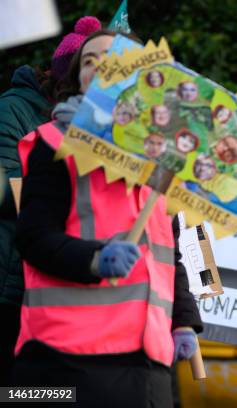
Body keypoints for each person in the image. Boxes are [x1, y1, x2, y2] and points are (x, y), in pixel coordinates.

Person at [12, 29, 202, 407]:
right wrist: (96, 258)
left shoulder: (163, 161)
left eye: (114, 58)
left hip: (149, 359)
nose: (99, 65)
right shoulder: (52, 141)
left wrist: (184, 322)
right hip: (64, 358)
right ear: (78, 78)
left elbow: (170, 256)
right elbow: (32, 238)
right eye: (88, 60)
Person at [0, 15, 101, 385]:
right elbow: (6, 187)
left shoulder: (100, 126)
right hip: (11, 286)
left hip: (59, 288)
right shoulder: (14, 110)